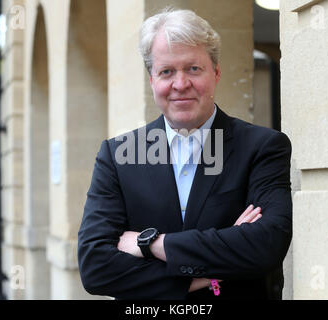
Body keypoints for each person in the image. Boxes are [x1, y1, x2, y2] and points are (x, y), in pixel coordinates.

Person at [78, 8, 292, 300]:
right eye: (166, 72)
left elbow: (266, 245)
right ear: (152, 80)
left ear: (216, 72)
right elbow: (95, 267)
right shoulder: (118, 156)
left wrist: (151, 244)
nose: (180, 84)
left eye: (193, 68)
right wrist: (205, 274)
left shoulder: (262, 147)